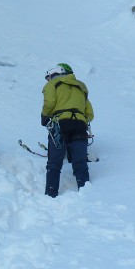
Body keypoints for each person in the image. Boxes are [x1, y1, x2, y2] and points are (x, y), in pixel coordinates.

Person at [40, 63, 95, 197]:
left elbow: (49, 102)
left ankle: (51, 194)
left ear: (55, 74)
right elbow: (90, 113)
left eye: (49, 77)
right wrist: (81, 119)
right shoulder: (81, 87)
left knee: (54, 163)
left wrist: (45, 116)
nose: (48, 80)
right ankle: (86, 193)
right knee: (80, 162)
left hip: (60, 124)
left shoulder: (53, 84)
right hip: (80, 125)